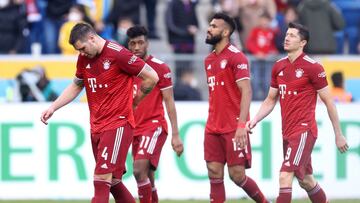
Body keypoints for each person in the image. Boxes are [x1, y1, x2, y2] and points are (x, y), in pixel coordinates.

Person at [40, 22, 159, 203]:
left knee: (101, 179)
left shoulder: (118, 54)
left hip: (117, 124)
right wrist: (53, 107)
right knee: (113, 182)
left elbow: (152, 77)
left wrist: (136, 101)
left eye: (82, 48)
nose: (81, 53)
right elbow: (76, 85)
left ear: (92, 38)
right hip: (97, 127)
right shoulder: (84, 58)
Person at [247, 22, 349, 203]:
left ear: (303, 43)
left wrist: (338, 134)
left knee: (285, 175)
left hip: (304, 131)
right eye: (287, 34)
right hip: (287, 131)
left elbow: (329, 102)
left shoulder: (313, 67)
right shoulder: (278, 66)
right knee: (306, 180)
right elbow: (270, 99)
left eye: (292, 35)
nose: (287, 38)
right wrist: (255, 119)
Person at [204, 13, 268, 203]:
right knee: (213, 172)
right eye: (210, 25)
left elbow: (246, 92)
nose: (209, 28)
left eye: (214, 26)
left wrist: (242, 125)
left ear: (225, 32)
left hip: (233, 126)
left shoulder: (237, 57)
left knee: (237, 175)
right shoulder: (209, 60)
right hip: (213, 125)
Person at [126, 25, 184, 203]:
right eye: (133, 43)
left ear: (147, 44)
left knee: (138, 170)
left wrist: (175, 135)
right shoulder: (125, 68)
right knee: (148, 176)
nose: (136, 47)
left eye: (140, 43)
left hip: (153, 126)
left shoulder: (160, 68)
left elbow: (169, 101)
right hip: (133, 128)